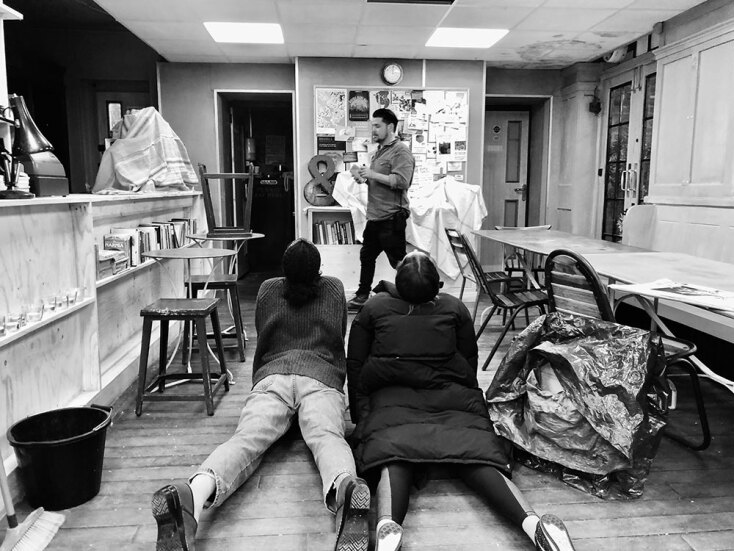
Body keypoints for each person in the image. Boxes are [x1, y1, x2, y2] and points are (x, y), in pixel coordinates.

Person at [346, 251, 576, 551]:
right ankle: (533, 525)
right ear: (436, 285)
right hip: (453, 399)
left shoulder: (373, 308)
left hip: (390, 400)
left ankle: (387, 528)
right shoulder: (455, 308)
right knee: (479, 457)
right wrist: (468, 398)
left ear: (399, 283)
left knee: (393, 457)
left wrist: (361, 415)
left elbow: (355, 363)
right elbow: (469, 362)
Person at [152, 239, 370, 551]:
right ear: (319, 269)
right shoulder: (334, 289)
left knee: (246, 440)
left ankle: (194, 494)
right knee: (327, 437)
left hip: (273, 376)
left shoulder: (268, 289)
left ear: (283, 269)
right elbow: (338, 337)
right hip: (320, 377)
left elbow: (263, 337)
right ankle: (345, 488)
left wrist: (261, 378)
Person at [347, 108, 415, 311]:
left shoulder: (401, 151)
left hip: (391, 217)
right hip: (375, 217)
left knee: (399, 262)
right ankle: (362, 295)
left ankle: (417, 295)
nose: (373, 130)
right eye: (372, 126)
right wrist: (364, 178)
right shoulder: (380, 151)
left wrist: (372, 174)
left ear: (390, 127)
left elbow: (402, 181)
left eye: (377, 126)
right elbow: (380, 181)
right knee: (367, 257)